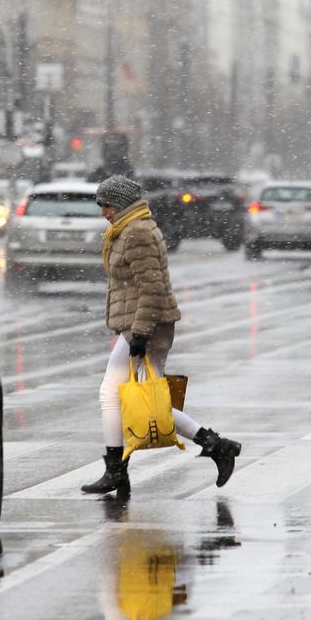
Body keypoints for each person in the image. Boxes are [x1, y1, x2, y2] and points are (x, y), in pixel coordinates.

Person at [81, 174, 242, 496]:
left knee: (114, 394)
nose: (104, 212)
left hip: (146, 327)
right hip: (141, 325)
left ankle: (116, 470)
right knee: (148, 400)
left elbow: (151, 288)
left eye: (108, 205)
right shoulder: (128, 229)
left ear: (122, 203)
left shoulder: (137, 232)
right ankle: (216, 445)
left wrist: (139, 334)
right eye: (101, 205)